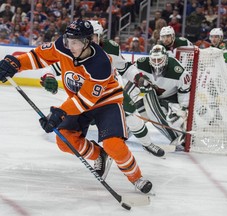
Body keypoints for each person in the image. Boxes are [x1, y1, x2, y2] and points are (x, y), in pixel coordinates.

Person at [0, 19, 152, 194]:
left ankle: (136, 178)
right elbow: (38, 57)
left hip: (106, 102)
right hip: (78, 101)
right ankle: (99, 155)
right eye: (68, 41)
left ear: (87, 42)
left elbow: (85, 101)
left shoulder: (100, 63)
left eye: (76, 42)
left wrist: (59, 114)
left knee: (113, 145)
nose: (70, 46)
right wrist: (15, 63)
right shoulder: (63, 46)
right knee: (64, 140)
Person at [40, 20, 165, 158]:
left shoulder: (110, 49)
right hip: (83, 96)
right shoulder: (74, 49)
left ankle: (147, 144)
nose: (89, 40)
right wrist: (49, 76)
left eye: (93, 36)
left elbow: (125, 67)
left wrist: (138, 77)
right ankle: (99, 155)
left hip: (109, 94)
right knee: (70, 128)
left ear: (99, 36)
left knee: (132, 118)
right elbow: (56, 66)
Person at [133, 44, 191, 150]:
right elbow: (129, 77)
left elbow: (184, 92)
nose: (156, 63)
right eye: (153, 60)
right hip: (152, 97)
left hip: (171, 100)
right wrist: (138, 85)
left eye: (159, 59)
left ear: (166, 58)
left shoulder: (178, 71)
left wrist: (183, 108)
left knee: (169, 117)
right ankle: (122, 132)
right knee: (135, 112)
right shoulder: (141, 63)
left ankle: (178, 136)